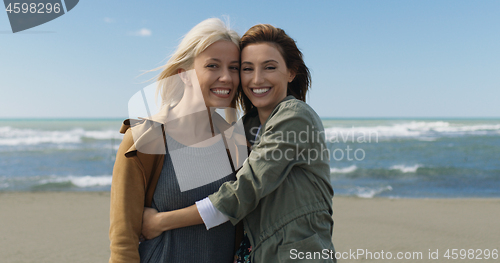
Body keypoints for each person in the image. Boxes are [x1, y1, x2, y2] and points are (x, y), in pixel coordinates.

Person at [141, 24, 336, 263]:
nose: (256, 79)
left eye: (270, 67)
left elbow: (243, 192)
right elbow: (198, 179)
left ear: (291, 72)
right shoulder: (247, 126)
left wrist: (161, 222)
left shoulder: (295, 117)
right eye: (246, 68)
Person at [109, 18, 243, 263]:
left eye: (234, 68)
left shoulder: (236, 142)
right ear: (184, 75)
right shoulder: (143, 139)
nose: (226, 77)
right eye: (213, 66)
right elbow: (122, 242)